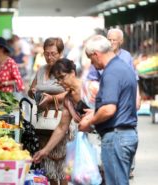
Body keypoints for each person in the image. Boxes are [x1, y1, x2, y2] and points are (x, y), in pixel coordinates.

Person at [79, 35, 138, 185]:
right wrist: (96, 111)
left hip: (116, 138)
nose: (92, 64)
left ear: (96, 54)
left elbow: (109, 109)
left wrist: (90, 122)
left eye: (91, 60)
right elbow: (120, 104)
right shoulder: (124, 67)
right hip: (127, 135)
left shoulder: (111, 72)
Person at [28, 37, 67, 185]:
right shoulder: (41, 70)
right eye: (46, 53)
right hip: (43, 122)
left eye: (53, 53)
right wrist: (33, 92)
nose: (49, 57)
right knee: (48, 164)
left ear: (60, 53)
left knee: (60, 163)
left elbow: (71, 93)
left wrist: (52, 99)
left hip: (60, 121)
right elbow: (30, 91)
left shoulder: (65, 70)